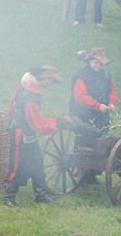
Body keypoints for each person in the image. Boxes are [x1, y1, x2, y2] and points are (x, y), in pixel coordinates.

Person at [4, 65, 71, 206]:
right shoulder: (30, 96)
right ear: (44, 79)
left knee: (37, 162)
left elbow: (11, 108)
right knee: (18, 164)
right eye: (50, 81)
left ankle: (40, 194)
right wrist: (56, 123)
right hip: (20, 133)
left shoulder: (25, 88)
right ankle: (9, 197)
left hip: (27, 132)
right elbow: (37, 124)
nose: (50, 84)